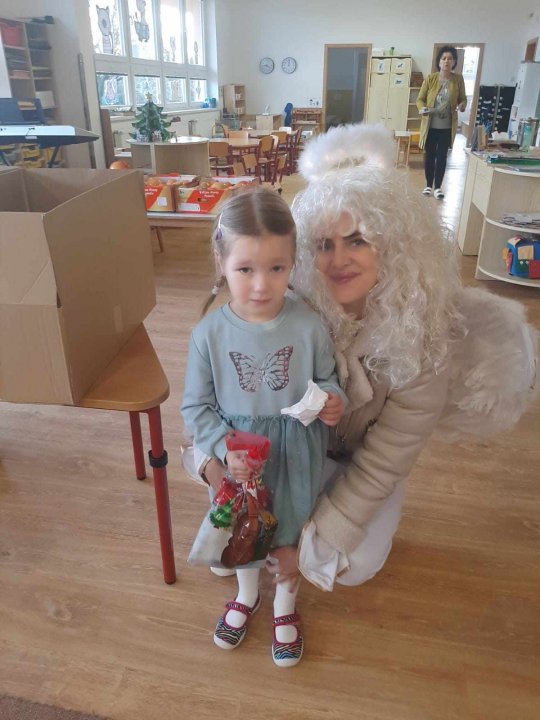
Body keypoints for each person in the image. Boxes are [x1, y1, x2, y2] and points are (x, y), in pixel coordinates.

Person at [256, 123, 534, 592]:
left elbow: (383, 461)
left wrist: (311, 543)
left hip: (366, 461)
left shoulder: (425, 336)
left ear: (394, 244)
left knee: (354, 562)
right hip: (303, 449)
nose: (338, 259)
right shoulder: (296, 309)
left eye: (357, 240)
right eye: (324, 244)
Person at [181, 187, 346, 667]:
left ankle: (285, 604)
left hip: (295, 452)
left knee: (289, 527)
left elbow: (326, 378)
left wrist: (332, 399)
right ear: (222, 263)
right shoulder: (208, 335)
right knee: (244, 529)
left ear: (293, 264)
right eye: (245, 269)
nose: (260, 285)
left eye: (276, 268)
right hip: (242, 460)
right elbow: (195, 407)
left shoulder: (309, 325)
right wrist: (221, 447)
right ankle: (247, 594)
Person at [417, 45, 467, 199]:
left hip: (447, 127)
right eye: (444, 58)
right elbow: (420, 99)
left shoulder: (458, 80)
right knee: (430, 155)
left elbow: (463, 99)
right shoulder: (431, 79)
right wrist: (422, 108)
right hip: (430, 125)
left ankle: (438, 187)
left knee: (442, 156)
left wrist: (462, 105)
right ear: (439, 62)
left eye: (450, 59)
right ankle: (428, 185)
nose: (446, 61)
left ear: (454, 62)